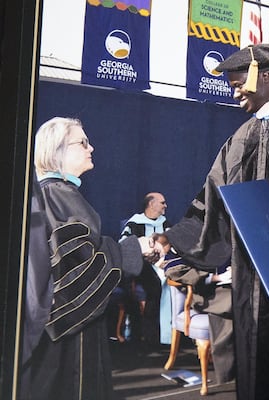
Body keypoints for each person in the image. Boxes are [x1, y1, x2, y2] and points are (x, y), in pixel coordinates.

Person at [159, 43, 269, 400]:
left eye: (239, 84)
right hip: (253, 280)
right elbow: (211, 204)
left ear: (266, 77)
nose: (234, 92)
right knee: (257, 370)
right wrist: (171, 242)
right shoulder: (240, 139)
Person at [19, 116, 159, 400]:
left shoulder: (49, 195)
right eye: (82, 142)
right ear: (57, 151)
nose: (91, 147)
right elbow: (78, 273)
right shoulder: (58, 195)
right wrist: (135, 249)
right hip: (69, 340)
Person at [114, 192, 172, 345]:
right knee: (154, 286)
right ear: (151, 204)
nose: (165, 206)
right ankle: (151, 336)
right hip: (142, 266)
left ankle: (173, 334)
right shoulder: (134, 223)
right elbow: (125, 247)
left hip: (164, 264)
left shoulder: (165, 223)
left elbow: (172, 244)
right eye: (162, 203)